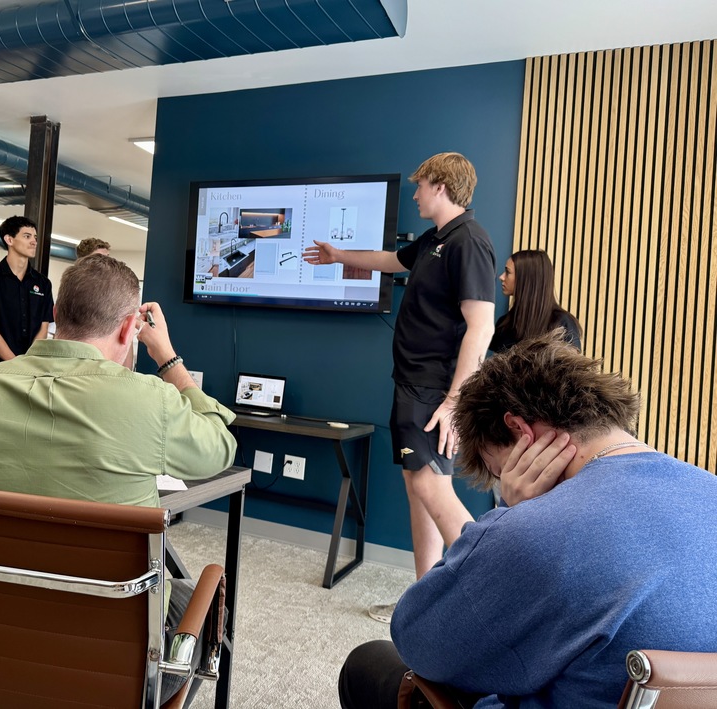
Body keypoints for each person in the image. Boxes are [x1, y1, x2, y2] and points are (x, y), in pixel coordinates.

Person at [339, 334, 717, 709]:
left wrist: (511, 512)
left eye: (501, 470)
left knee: (368, 663)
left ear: (520, 432)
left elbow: (419, 641)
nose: (507, 484)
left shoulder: (534, 531)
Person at [0, 254, 236, 702]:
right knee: (194, 597)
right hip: (118, 667)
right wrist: (167, 359)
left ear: (54, 315)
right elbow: (220, 447)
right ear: (131, 327)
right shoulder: (147, 401)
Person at [304, 152, 497, 618]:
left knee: (431, 490)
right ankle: (425, 600)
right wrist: (337, 255)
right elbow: (389, 259)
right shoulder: (437, 238)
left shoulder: (468, 241)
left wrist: (454, 402)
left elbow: (482, 326)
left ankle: (491, 598)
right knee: (419, 489)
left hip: (433, 390)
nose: (415, 194)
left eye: (421, 185)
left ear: (442, 187)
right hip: (414, 383)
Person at [0, 215, 54, 369]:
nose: (34, 242)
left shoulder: (43, 284)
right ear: (9, 240)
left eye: (35, 237)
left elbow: (43, 328)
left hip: (29, 368)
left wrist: (28, 363)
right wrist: (15, 365)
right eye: (27, 236)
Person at [491, 249, 581, 353]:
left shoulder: (562, 324)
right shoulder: (504, 324)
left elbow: (571, 367)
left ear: (526, 278)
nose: (501, 277)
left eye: (508, 272)